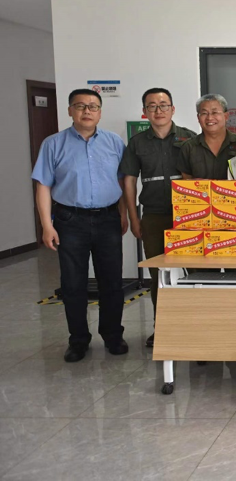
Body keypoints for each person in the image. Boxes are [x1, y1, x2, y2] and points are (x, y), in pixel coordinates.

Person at [31, 88, 129, 362]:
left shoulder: (114, 142)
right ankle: (78, 341)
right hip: (69, 220)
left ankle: (113, 336)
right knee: (73, 283)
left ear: (100, 112)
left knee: (112, 280)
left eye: (93, 106)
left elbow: (123, 182)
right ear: (70, 110)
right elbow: (43, 186)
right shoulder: (53, 144)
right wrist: (46, 225)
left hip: (108, 218)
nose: (87, 111)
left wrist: (123, 214)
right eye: (80, 106)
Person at [121, 88, 196, 347]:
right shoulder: (137, 143)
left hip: (188, 218)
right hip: (153, 216)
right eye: (152, 106)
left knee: (194, 272)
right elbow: (129, 181)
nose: (158, 110)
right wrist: (134, 218)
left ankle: (194, 326)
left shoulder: (189, 138)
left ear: (173, 109)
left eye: (163, 105)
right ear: (145, 112)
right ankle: (161, 328)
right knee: (158, 275)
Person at [178, 94, 236, 179]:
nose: (209, 118)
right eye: (204, 113)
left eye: (214, 112)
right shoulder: (188, 147)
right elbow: (186, 181)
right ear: (198, 118)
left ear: (226, 116)